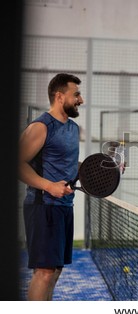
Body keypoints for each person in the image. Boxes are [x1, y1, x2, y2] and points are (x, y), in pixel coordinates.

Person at [18, 73, 84, 300]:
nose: (81, 100)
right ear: (59, 96)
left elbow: (69, 165)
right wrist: (48, 186)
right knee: (44, 273)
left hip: (64, 206)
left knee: (54, 271)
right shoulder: (41, 126)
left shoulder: (73, 129)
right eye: (76, 94)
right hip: (43, 206)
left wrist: (105, 170)